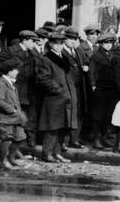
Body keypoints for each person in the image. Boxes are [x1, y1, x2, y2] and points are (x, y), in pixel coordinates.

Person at [37, 30, 75, 163]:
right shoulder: (46, 59)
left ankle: (57, 153)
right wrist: (59, 90)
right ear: (51, 44)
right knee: (52, 128)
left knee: (62, 127)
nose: (59, 46)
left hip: (66, 98)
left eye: (61, 43)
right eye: (56, 43)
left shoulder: (64, 58)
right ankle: (47, 153)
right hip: (54, 99)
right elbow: (44, 79)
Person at [0, 56, 27, 170]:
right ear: (9, 71)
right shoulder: (1, 83)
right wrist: (12, 110)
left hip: (15, 117)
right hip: (6, 118)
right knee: (6, 139)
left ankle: (11, 158)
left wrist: (18, 112)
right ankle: (3, 161)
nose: (17, 72)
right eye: (15, 70)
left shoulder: (11, 83)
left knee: (20, 137)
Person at [89, 31, 118, 150]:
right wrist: (93, 85)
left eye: (110, 43)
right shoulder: (96, 56)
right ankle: (96, 139)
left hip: (111, 88)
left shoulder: (112, 55)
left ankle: (105, 137)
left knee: (108, 114)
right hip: (100, 88)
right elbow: (91, 72)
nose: (109, 45)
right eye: (106, 43)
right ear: (101, 44)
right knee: (98, 115)